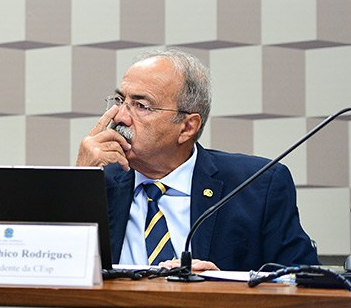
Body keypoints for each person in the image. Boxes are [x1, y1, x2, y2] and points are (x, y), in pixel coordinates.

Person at [76, 48, 318, 272]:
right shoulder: (97, 182)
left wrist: (225, 287)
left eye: (141, 106)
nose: (120, 116)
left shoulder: (257, 186)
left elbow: (305, 284)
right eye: (119, 101)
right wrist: (79, 182)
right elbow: (50, 270)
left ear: (187, 127)